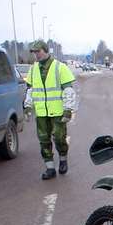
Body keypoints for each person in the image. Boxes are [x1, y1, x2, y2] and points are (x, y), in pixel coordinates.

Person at [24, 40, 76, 180]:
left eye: (38, 51)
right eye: (34, 52)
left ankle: (63, 159)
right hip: (41, 112)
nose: (36, 55)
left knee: (59, 137)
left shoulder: (60, 67)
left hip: (58, 112)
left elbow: (68, 90)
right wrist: (28, 106)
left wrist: (68, 109)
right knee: (43, 140)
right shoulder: (33, 69)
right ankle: (50, 168)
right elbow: (30, 90)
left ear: (45, 50)